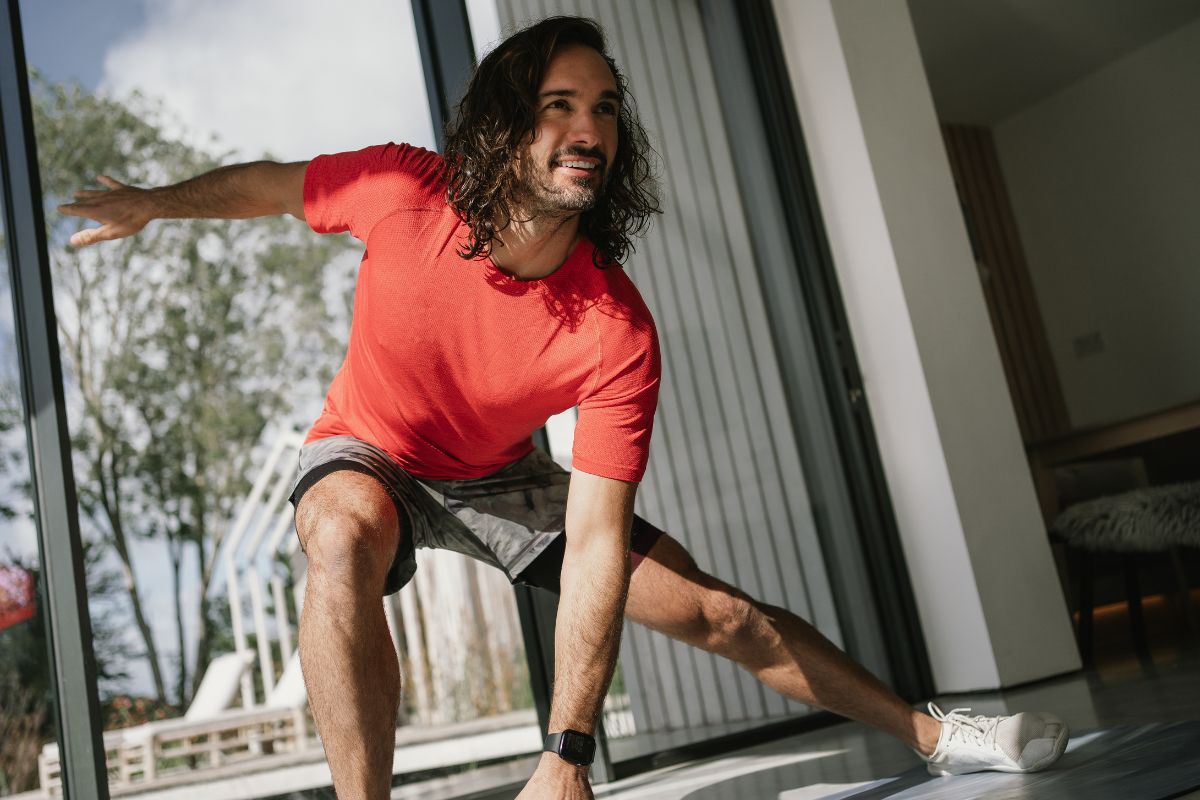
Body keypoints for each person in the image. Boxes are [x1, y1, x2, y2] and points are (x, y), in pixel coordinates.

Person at [59, 15, 1069, 800]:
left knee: (718, 612)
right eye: (559, 104)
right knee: (339, 530)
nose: (589, 129)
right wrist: (153, 201)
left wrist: (567, 750)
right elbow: (272, 187)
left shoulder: (614, 328)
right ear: (506, 124)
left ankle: (938, 734)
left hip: (502, 477)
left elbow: (593, 544)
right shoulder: (401, 190)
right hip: (371, 448)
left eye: (606, 108)